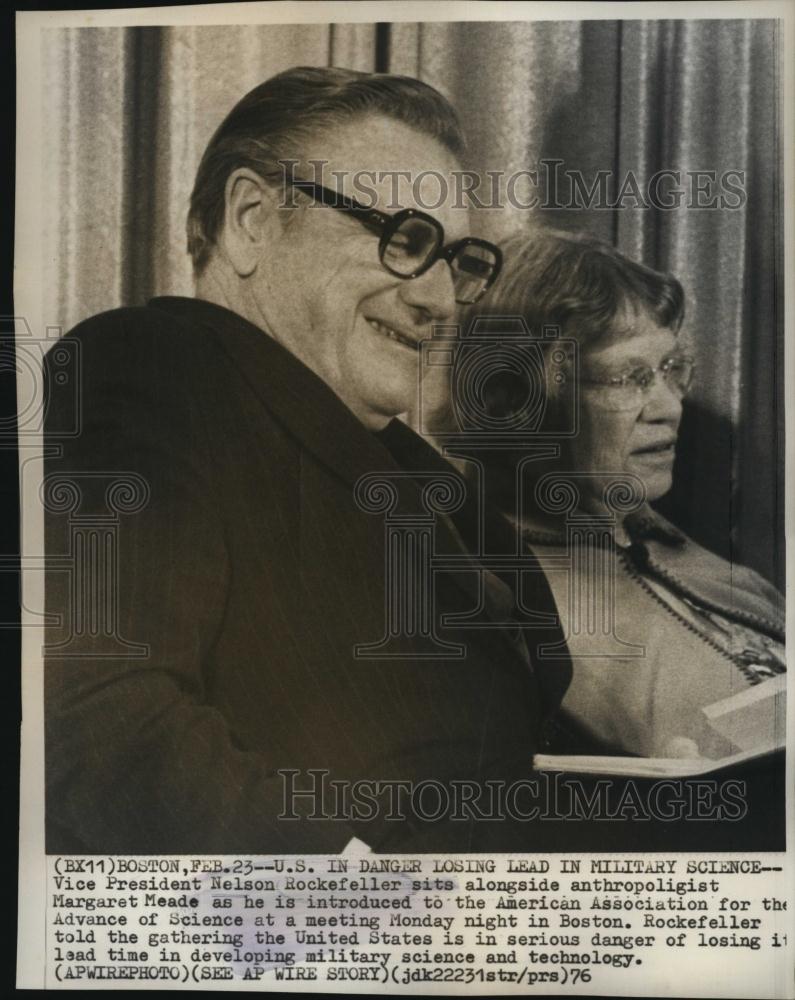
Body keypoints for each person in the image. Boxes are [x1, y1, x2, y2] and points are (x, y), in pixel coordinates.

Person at [43, 67, 570, 854]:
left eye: (456, 259)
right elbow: (98, 714)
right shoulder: (147, 369)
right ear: (253, 219)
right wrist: (360, 907)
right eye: (404, 240)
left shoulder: (409, 464)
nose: (440, 299)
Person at [463, 228, 785, 765]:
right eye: (625, 379)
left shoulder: (674, 546)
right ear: (521, 397)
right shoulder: (494, 594)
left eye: (669, 369)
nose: (669, 407)